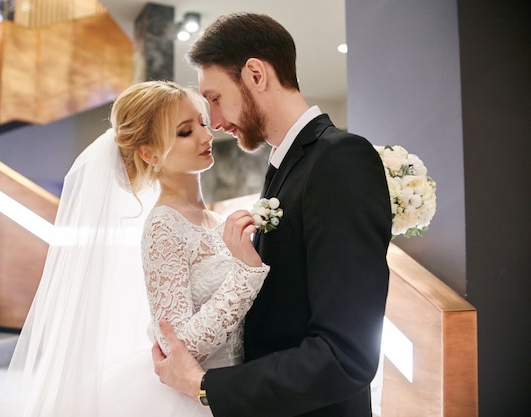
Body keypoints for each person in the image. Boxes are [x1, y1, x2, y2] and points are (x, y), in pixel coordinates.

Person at [151, 12, 393, 417]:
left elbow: (345, 355)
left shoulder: (339, 160)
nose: (214, 122)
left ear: (256, 75)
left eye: (214, 98)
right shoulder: (285, 166)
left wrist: (205, 386)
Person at [0, 80, 270, 417]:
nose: (206, 136)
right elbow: (177, 345)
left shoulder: (211, 218)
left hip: (236, 387)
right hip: (192, 399)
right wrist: (247, 274)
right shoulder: (163, 226)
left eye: (201, 123)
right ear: (149, 153)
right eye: (185, 132)